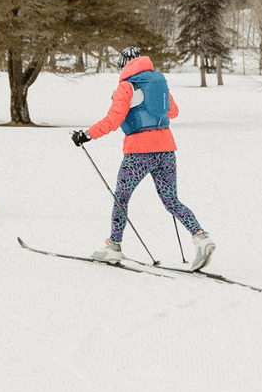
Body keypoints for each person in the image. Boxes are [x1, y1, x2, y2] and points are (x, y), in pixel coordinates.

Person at [71, 47, 216, 271]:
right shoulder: (159, 82)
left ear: (123, 65)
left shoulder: (126, 86)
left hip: (139, 152)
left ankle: (114, 248)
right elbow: (173, 112)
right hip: (166, 149)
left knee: (121, 197)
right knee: (171, 200)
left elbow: (113, 120)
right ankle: (201, 237)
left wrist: (86, 135)